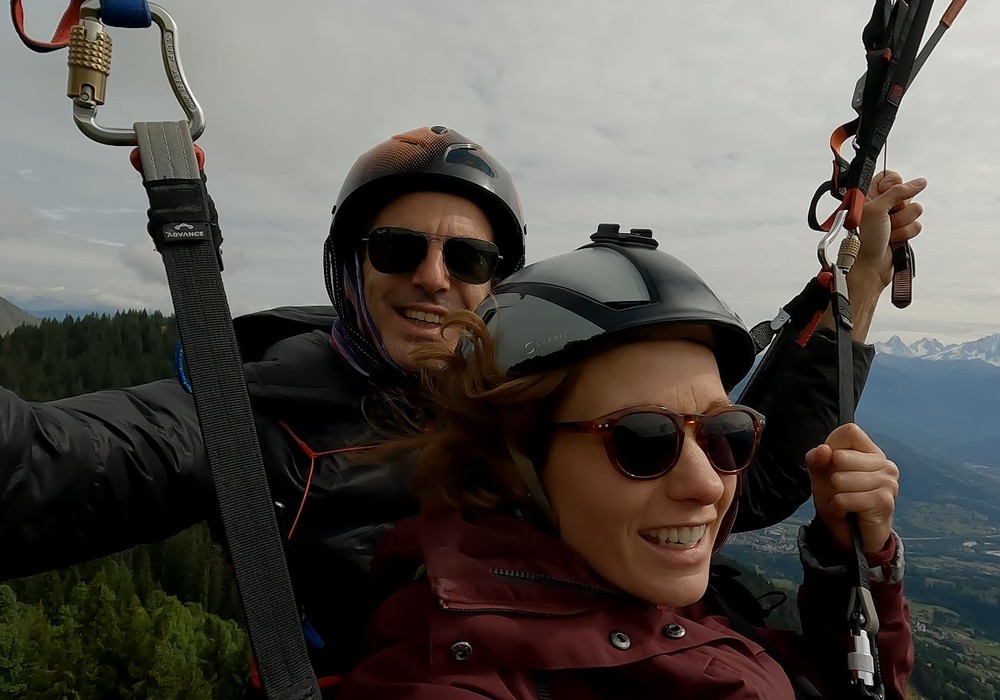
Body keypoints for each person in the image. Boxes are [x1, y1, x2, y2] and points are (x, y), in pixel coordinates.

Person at [0, 126, 923, 685]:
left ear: (500, 283)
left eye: (471, 259)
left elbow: (733, 479)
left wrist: (859, 289)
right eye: (399, 249)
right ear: (351, 268)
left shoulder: (530, 398)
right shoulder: (253, 416)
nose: (435, 279)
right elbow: (38, 468)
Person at [337, 225, 911, 699]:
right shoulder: (453, 675)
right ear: (515, 462)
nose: (708, 483)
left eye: (725, 433)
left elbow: (836, 686)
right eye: (641, 440)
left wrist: (851, 561)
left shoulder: (654, 597)